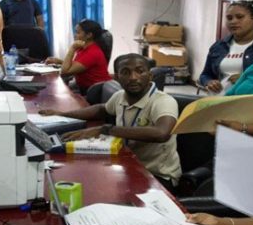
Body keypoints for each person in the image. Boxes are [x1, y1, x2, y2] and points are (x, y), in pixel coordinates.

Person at [39, 53, 181, 191]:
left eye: (140, 71)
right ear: (117, 77)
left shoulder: (163, 101)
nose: (133, 77)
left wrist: (105, 129)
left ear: (150, 75)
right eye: (126, 72)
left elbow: (162, 133)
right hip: (128, 163)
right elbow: (101, 109)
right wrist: (63, 114)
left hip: (158, 176)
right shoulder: (120, 96)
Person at [199, 0, 253, 95]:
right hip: (220, 100)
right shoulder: (219, 46)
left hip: (251, 100)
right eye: (229, 18)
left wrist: (247, 79)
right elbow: (205, 75)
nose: (233, 21)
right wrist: (209, 82)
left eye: (240, 17)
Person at [45, 19, 111, 95]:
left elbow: (65, 72)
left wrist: (72, 48)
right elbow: (79, 65)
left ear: (89, 35)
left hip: (95, 93)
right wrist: (59, 61)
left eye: (78, 32)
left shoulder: (92, 52)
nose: (75, 35)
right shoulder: (84, 48)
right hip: (85, 88)